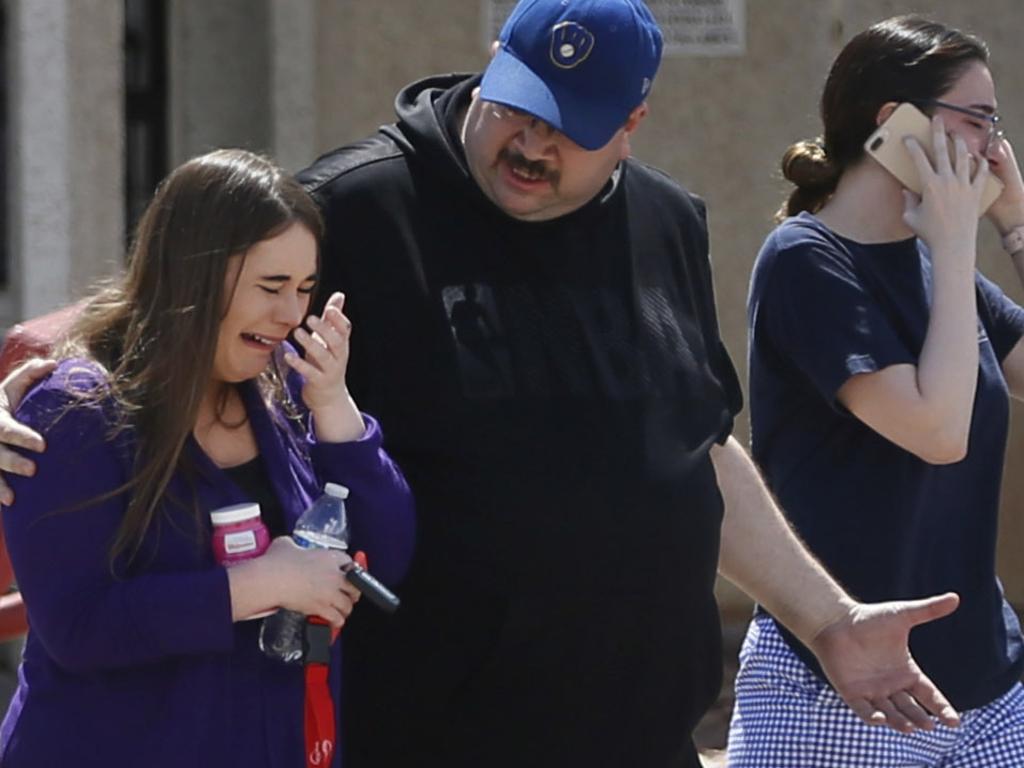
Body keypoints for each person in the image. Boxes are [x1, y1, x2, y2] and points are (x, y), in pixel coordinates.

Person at [0, 3, 965, 767]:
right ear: (495, 58)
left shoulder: (668, 222)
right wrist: (39, 382)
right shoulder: (358, 207)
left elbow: (698, 451)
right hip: (429, 739)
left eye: (571, 128)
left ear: (630, 125)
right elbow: (194, 302)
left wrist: (831, 622)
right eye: (520, 105)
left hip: (642, 740)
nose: (533, 144)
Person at [0, 149, 415, 767]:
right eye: (270, 287)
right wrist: (257, 586)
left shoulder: (289, 389)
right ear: (191, 274)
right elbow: (78, 627)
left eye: (303, 288)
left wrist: (337, 412)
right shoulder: (75, 412)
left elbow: (386, 556)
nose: (289, 314)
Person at [728, 15, 1024, 767]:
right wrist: (956, 243)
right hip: (848, 694)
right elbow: (937, 431)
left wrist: (1014, 225)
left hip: (989, 694)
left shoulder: (941, 274)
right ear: (895, 122)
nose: (995, 144)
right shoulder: (805, 261)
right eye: (978, 118)